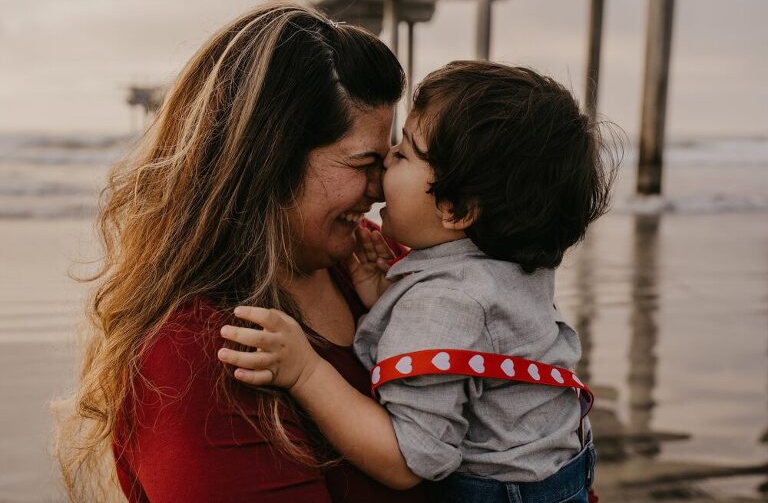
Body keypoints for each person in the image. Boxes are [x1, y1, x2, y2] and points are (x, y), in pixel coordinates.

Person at [53, 2, 431, 502]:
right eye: (363, 163)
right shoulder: (197, 358)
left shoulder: (376, 261)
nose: (380, 190)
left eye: (387, 162)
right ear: (270, 159)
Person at [217, 61, 617, 502]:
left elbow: (410, 459)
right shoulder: (511, 269)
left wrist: (306, 372)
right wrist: (386, 298)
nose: (385, 162)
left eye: (405, 152)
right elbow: (479, 345)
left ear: (456, 209)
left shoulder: (442, 302)